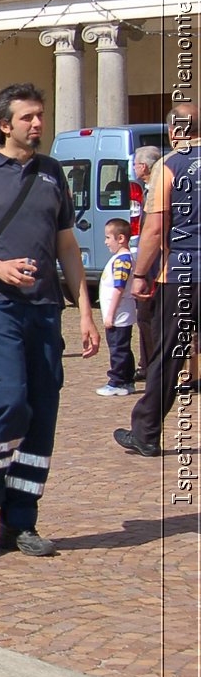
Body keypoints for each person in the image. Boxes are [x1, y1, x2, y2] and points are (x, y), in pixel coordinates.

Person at [0, 82, 99, 557]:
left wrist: (87, 314)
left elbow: (67, 247)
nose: (37, 124)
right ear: (4, 124)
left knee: (42, 414)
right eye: (28, 117)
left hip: (45, 308)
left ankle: (21, 520)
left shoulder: (52, 174)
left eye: (40, 116)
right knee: (9, 401)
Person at [115, 102, 199, 459]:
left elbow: (153, 230)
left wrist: (138, 276)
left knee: (168, 355)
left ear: (172, 131)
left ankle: (146, 433)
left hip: (181, 273)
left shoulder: (169, 166)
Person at [131, 144, 164, 381]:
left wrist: (142, 272)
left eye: (134, 164)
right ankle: (147, 363)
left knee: (149, 315)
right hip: (150, 261)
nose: (133, 169)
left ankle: (155, 366)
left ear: (142, 167)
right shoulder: (147, 189)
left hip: (157, 264)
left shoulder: (159, 190)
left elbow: (154, 230)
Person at [97, 218, 137, 397]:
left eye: (108, 238)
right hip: (119, 314)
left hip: (119, 314)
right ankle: (127, 380)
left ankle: (117, 381)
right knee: (123, 348)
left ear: (120, 238)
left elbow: (119, 288)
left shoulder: (122, 260)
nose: (105, 242)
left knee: (118, 349)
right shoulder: (120, 258)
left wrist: (110, 314)